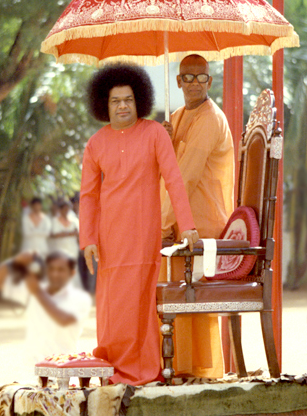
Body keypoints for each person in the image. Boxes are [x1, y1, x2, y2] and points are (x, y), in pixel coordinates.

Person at [79, 62, 199, 386]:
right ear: (104, 105)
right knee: (112, 305)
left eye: (128, 100)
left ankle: (142, 371)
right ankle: (112, 367)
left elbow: (174, 180)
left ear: (139, 101)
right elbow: (88, 196)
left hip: (143, 232)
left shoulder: (155, 133)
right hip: (109, 237)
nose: (123, 106)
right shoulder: (95, 144)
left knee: (139, 303)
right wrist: (88, 239)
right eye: (116, 101)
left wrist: (187, 225)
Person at [160, 54, 235, 379]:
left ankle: (197, 369)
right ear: (178, 82)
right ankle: (172, 365)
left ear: (210, 81)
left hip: (202, 226)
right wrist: (163, 141)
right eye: (187, 77)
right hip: (179, 221)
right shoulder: (175, 117)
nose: (194, 83)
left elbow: (186, 177)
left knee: (183, 293)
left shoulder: (210, 119)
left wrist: (161, 225)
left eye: (200, 77)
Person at [0, 250, 92, 369]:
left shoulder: (80, 298)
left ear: (72, 273)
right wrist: (15, 262)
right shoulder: (35, 289)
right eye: (51, 269)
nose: (55, 274)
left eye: (61, 270)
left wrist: (37, 293)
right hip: (32, 366)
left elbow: (63, 320)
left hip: (63, 366)